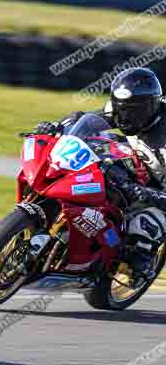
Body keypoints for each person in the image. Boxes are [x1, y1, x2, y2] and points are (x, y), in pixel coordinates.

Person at [34, 67, 166, 281]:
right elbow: (85, 120)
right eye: (121, 108)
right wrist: (57, 126)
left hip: (160, 186)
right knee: (96, 154)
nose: (124, 117)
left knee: (146, 222)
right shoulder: (122, 109)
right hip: (137, 161)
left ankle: (140, 261)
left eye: (133, 112)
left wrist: (148, 194)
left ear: (151, 107)